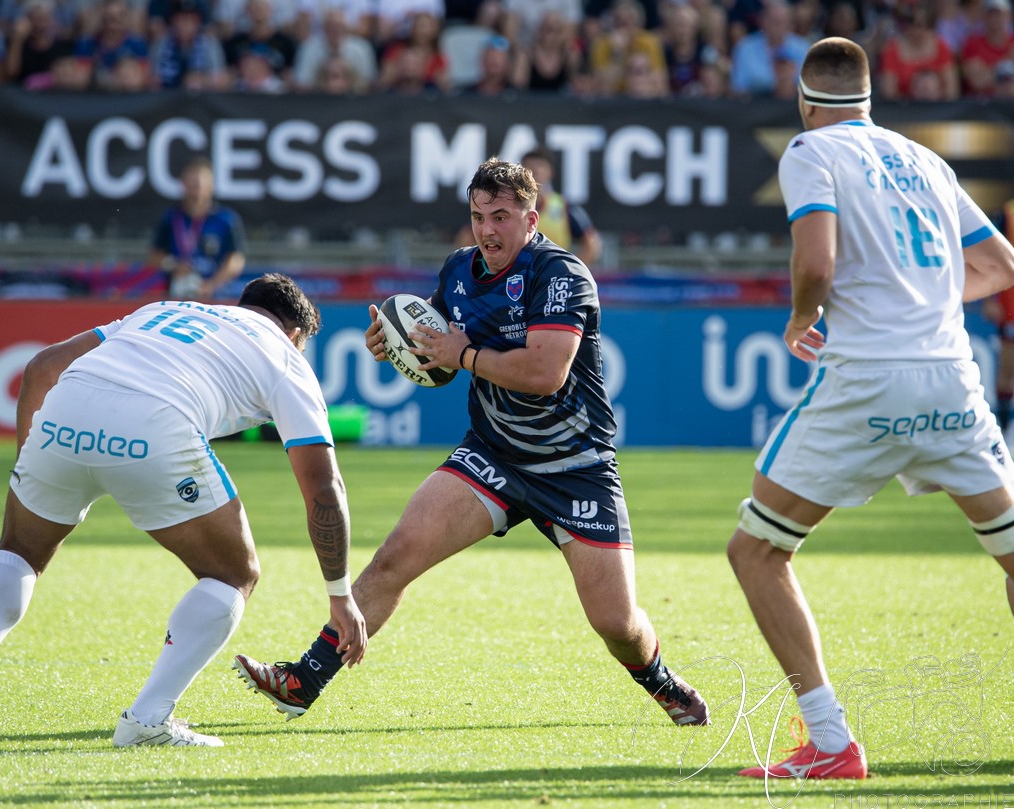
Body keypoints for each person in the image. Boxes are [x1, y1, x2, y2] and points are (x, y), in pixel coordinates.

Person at [232, 158, 710, 729]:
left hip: (575, 467)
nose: (487, 229)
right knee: (393, 559)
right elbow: (439, 351)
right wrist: (398, 345)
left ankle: (660, 681)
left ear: (531, 219)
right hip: (493, 454)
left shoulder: (561, 274)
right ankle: (303, 681)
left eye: (502, 216)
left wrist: (461, 354)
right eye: (479, 215)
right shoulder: (460, 270)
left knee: (616, 623)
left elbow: (545, 372)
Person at [0, 273, 367, 747]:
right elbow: (322, 486)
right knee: (233, 574)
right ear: (295, 334)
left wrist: (31, 467)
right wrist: (339, 594)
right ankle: (147, 719)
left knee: (19, 551)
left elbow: (42, 366)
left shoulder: (163, 310)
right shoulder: (284, 358)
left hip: (65, 410)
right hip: (155, 424)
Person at [726, 37, 1014, 781]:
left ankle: (829, 741)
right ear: (867, 98)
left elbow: (815, 261)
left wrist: (800, 317)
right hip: (951, 378)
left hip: (866, 381)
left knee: (757, 549)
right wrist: (912, 299)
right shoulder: (924, 159)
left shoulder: (809, 152)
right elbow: (999, 266)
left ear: (802, 99)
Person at [149, 158, 247, 301]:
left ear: (211, 186)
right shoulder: (172, 218)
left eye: (200, 183)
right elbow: (154, 256)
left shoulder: (226, 219)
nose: (197, 188)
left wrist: (212, 284)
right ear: (183, 185)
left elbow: (236, 260)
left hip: (216, 297)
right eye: (192, 183)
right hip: (177, 296)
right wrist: (173, 265)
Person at [983, 198, 1014, 434]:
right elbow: (989, 257)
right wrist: (990, 299)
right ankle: (1005, 431)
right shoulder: (1007, 213)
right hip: (1010, 301)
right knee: (1008, 367)